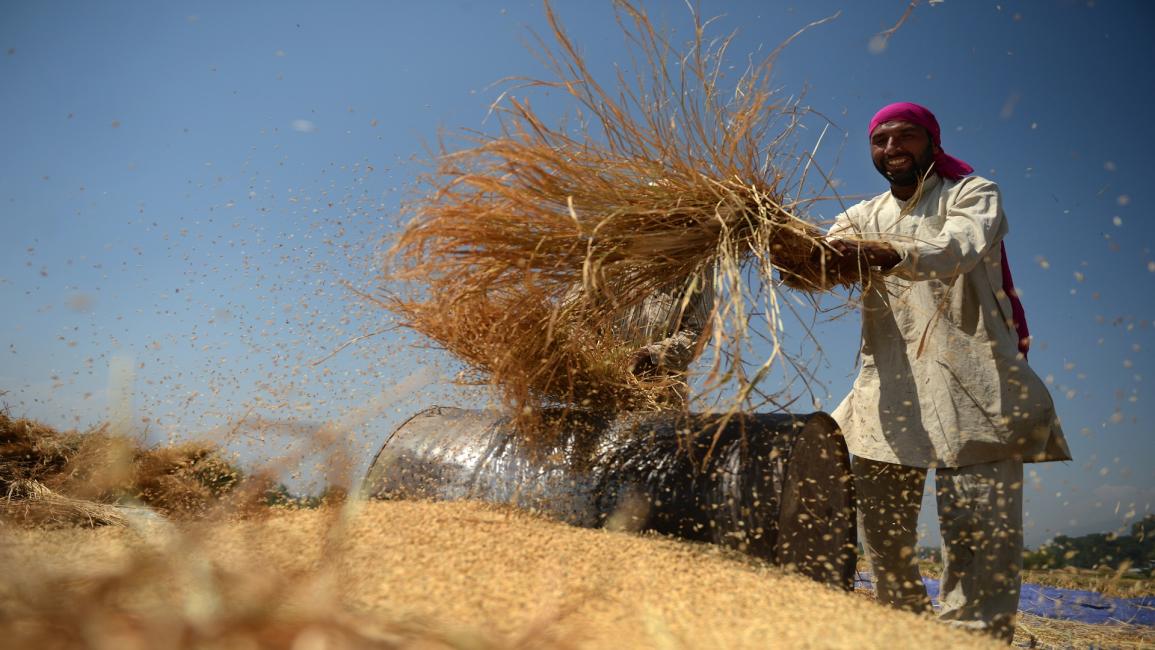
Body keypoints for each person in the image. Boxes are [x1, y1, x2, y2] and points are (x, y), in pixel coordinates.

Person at [811, 102, 1072, 642]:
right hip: (889, 386)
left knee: (980, 541)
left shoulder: (972, 194)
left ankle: (970, 639)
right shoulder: (863, 214)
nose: (892, 150)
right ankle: (907, 634)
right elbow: (823, 255)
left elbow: (955, 247)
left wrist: (882, 253)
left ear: (932, 141)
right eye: (881, 141)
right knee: (883, 538)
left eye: (905, 137)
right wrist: (789, 247)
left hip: (973, 384)